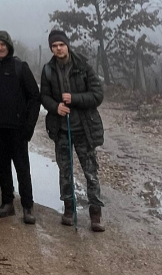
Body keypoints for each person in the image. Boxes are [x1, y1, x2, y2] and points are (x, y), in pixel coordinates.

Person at [40, 30, 106, 232]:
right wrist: (55, 107)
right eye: (54, 46)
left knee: (91, 173)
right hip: (61, 129)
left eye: (61, 44)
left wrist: (74, 98)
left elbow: (97, 95)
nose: (58, 48)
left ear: (67, 45)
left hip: (84, 129)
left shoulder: (83, 66)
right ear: (51, 48)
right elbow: (44, 95)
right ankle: (69, 209)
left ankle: (95, 213)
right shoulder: (48, 69)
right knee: (65, 171)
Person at [0, 30, 41, 224]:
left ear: (9, 45)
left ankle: (28, 207)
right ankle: (7, 203)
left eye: (2, 44)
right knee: (3, 167)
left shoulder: (20, 67)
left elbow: (35, 98)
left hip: (18, 129)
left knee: (22, 168)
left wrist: (29, 126)